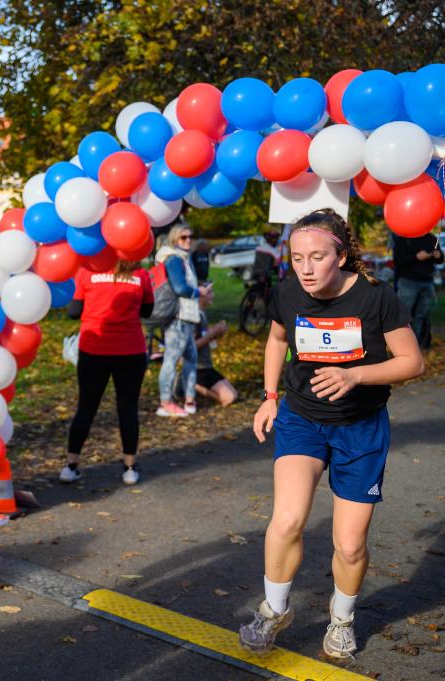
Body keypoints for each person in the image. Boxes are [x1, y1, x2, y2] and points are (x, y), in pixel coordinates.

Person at [238, 209, 423, 659]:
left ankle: (341, 620)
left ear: (341, 256)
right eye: (297, 257)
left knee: (350, 543)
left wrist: (356, 376)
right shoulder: (288, 293)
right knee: (286, 520)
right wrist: (268, 396)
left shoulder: (376, 298)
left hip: (360, 428)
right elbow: (278, 340)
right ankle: (274, 609)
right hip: (302, 419)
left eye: (316, 257)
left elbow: (412, 363)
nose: (305, 268)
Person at [62, 259, 154, 485]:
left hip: (94, 349)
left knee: (86, 407)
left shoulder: (87, 271)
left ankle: (70, 466)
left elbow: (73, 311)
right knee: (128, 408)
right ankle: (129, 468)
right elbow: (148, 311)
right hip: (130, 350)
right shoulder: (140, 274)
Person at [155, 224, 212, 417]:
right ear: (174, 239)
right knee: (171, 360)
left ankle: (189, 399)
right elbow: (180, 288)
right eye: (183, 238)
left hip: (186, 316)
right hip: (177, 317)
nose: (188, 240)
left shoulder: (183, 258)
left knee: (191, 358)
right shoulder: (174, 260)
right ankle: (165, 403)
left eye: (190, 236)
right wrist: (199, 291)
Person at [392, 232, 442, 349]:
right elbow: (397, 260)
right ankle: (401, 347)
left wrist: (438, 255)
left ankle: (417, 346)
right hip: (408, 283)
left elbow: (440, 259)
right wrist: (416, 257)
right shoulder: (404, 238)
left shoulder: (432, 238)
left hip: (427, 282)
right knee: (404, 316)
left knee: (422, 315)